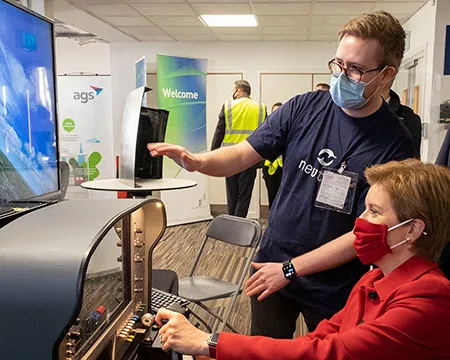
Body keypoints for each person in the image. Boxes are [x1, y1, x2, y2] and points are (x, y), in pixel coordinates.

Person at [148, 11, 414, 337]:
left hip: (333, 287)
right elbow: (244, 152)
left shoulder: (396, 145)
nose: (342, 76)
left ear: (386, 74)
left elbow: (366, 233)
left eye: (355, 70)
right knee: (263, 351)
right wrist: (199, 161)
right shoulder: (305, 107)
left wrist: (291, 269)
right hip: (270, 267)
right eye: (338, 65)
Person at [155, 159, 450, 360]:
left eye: (373, 212)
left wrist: (209, 342)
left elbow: (331, 354)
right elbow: (315, 341)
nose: (360, 221)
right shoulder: (374, 278)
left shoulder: (429, 297)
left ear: (412, 229)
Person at [210, 80, 267, 217]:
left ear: (239, 91)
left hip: (230, 158)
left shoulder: (228, 106)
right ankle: (238, 224)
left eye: (234, 90)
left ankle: (231, 222)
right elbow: (266, 134)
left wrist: (213, 155)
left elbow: (219, 132)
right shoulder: (260, 108)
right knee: (244, 195)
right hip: (250, 158)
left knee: (232, 193)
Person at [380, 83, 422, 158]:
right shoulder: (353, 112)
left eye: (360, 71)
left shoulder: (409, 119)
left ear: (387, 74)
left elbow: (412, 164)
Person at [262, 102, 283, 209]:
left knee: (282, 199)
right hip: (269, 168)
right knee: (272, 196)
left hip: (284, 168)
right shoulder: (266, 127)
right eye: (274, 112)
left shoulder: (290, 128)